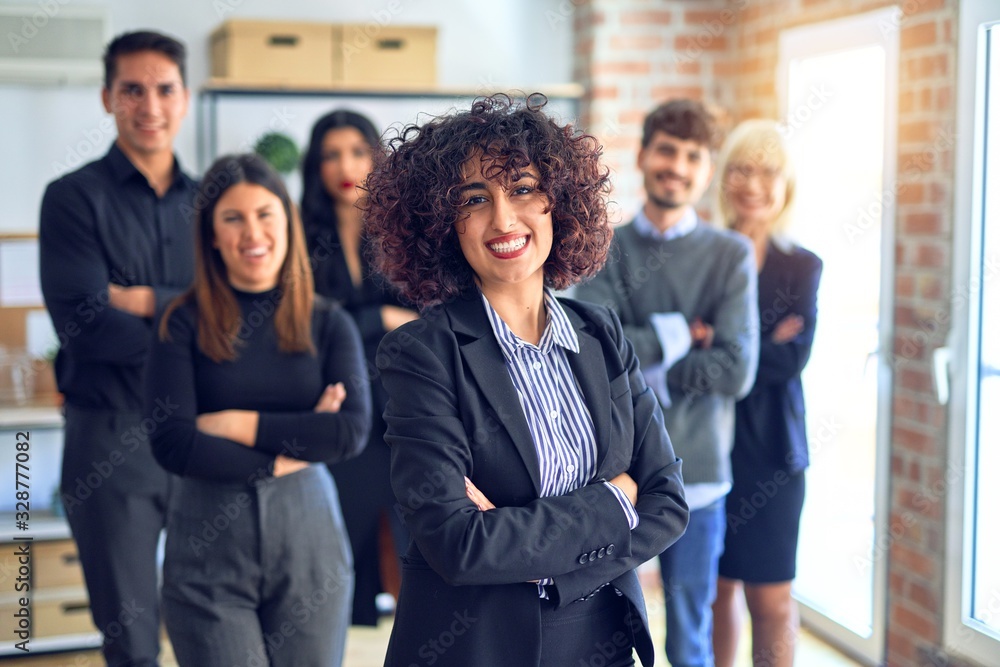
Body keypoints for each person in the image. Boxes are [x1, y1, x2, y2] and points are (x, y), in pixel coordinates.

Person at [365, 93, 688, 667]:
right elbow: (458, 545)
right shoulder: (421, 354)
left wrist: (531, 552)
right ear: (444, 224)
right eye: (474, 199)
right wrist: (615, 501)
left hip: (603, 639)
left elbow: (666, 502)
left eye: (521, 188)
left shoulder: (601, 332)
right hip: (476, 647)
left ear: (558, 202)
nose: (503, 219)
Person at [144, 154, 371, 666]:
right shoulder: (180, 323)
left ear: (287, 222)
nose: (253, 232)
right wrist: (293, 447)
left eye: (265, 214)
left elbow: (348, 432)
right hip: (207, 543)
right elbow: (174, 443)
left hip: (309, 537)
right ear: (212, 235)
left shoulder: (329, 323)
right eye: (233, 218)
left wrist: (234, 424)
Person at [576, 99, 759, 667]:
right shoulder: (605, 246)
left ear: (707, 171)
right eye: (666, 151)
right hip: (613, 472)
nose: (677, 167)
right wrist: (683, 333)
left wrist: (640, 354)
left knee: (688, 634)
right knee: (600, 628)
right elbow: (597, 353)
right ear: (642, 155)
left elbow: (736, 371)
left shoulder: (729, 255)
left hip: (697, 475)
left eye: (692, 156)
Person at [39, 30, 195, 666]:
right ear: (107, 98)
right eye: (132, 90)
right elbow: (86, 325)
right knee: (131, 639)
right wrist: (191, 317)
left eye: (164, 89)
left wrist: (142, 298)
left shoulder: (214, 206)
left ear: (185, 98)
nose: (149, 106)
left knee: (212, 617)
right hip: (110, 436)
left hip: (201, 431)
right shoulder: (72, 198)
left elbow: (243, 316)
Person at [710, 120, 822, 667]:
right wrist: (759, 342)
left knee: (772, 600)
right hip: (709, 443)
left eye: (768, 172)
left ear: (787, 184)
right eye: (741, 169)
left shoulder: (802, 266)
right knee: (716, 592)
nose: (753, 184)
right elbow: (689, 357)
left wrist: (721, 341)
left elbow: (792, 359)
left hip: (775, 450)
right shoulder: (706, 255)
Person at [301, 109, 417, 625]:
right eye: (331, 155)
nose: (345, 166)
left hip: (404, 401)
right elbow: (303, 322)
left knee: (418, 549)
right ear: (316, 165)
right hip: (339, 400)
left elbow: (429, 315)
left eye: (357, 152)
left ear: (377, 157)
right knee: (340, 546)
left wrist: (363, 320)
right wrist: (382, 317)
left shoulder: (402, 228)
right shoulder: (300, 233)